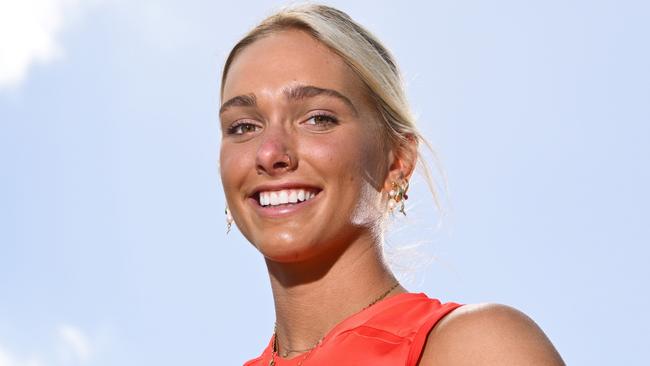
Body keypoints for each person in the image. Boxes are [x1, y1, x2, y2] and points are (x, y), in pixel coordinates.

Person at [219, 4, 565, 365]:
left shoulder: (476, 349)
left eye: (318, 118)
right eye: (243, 126)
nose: (270, 152)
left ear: (398, 162)